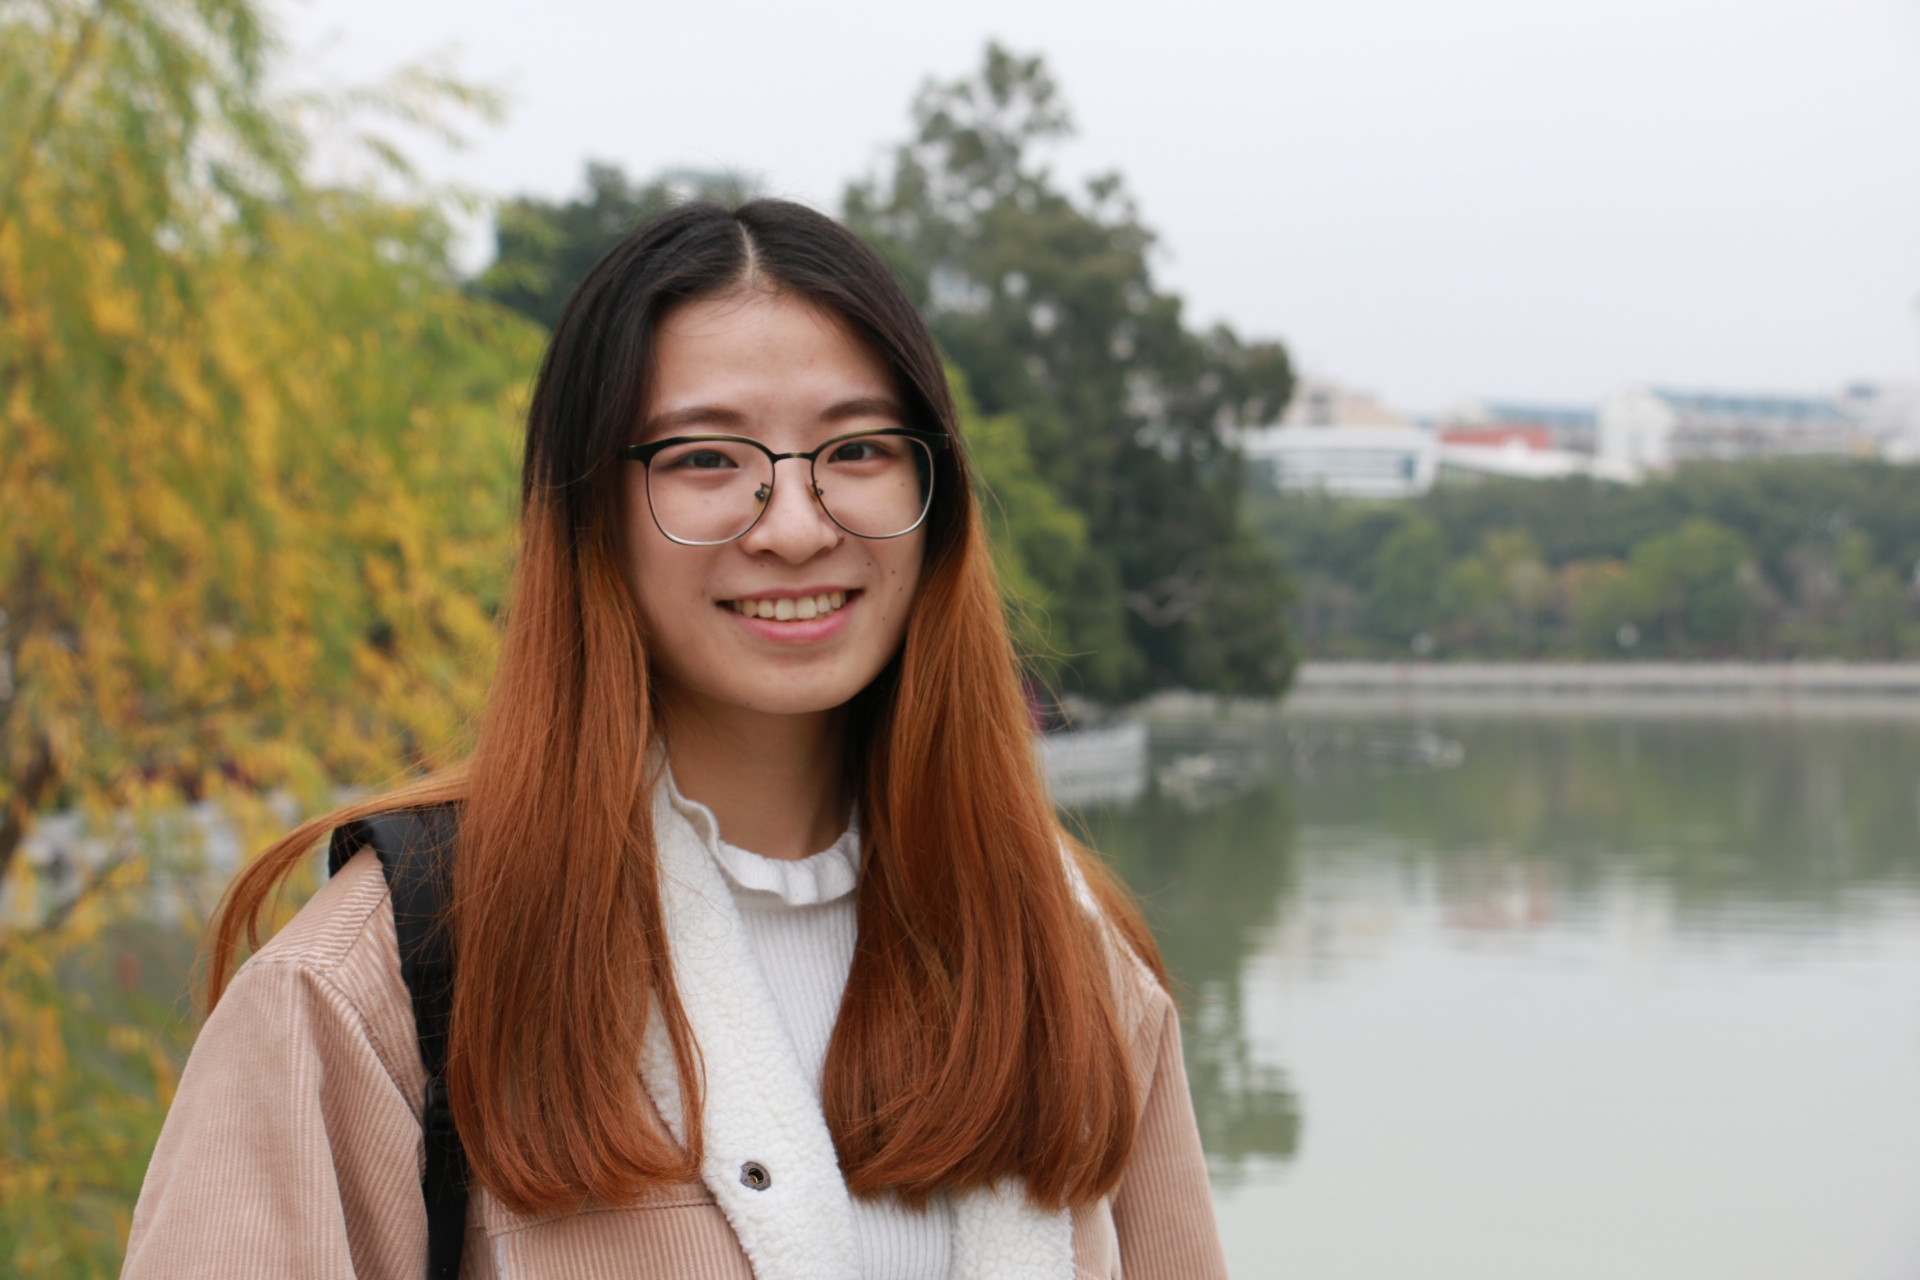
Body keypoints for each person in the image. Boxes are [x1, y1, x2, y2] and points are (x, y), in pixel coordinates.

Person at [121, 200, 1227, 1280]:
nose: (795, 526)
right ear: (589, 512)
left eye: (856, 448)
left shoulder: (1063, 955)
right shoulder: (381, 980)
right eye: (704, 459)